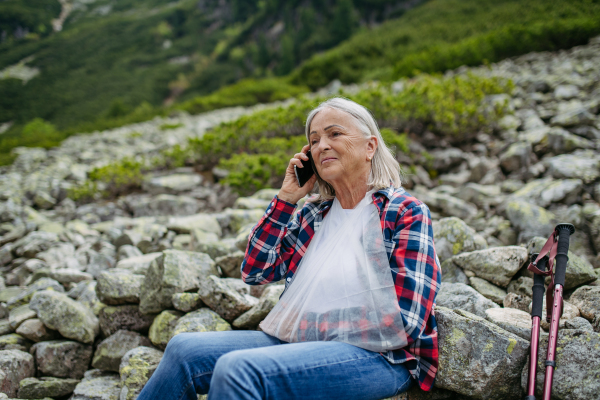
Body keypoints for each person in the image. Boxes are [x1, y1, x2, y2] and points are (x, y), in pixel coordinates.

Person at [137, 97, 441, 400]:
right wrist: (285, 199)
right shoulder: (315, 216)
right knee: (183, 350)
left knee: (238, 369)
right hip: (298, 341)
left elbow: (407, 320)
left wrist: (314, 325)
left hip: (380, 357)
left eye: (335, 134)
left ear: (370, 146)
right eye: (314, 140)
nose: (322, 145)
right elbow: (255, 270)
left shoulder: (403, 212)